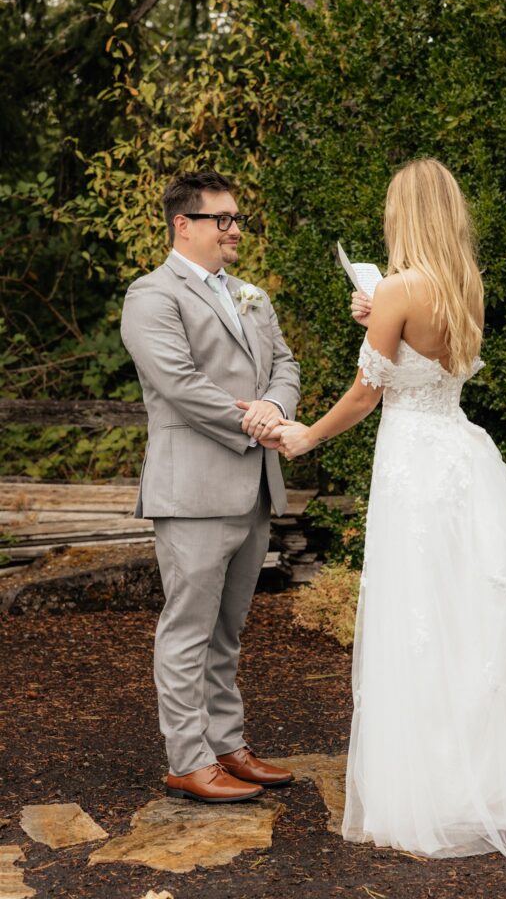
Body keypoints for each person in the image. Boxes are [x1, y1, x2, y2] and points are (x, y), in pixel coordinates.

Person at [274, 158, 506, 859]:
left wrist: (304, 435)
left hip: (412, 463)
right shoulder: (464, 285)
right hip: (459, 455)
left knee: (419, 615)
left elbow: (367, 392)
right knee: (472, 618)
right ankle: (496, 778)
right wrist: (378, 315)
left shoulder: (401, 286)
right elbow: (425, 357)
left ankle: (434, 789)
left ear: (403, 215)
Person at [120, 170, 300, 803]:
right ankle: (187, 758)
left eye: (236, 219)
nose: (234, 230)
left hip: (253, 485)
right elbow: (177, 382)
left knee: (228, 631)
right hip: (193, 490)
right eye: (222, 219)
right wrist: (252, 420)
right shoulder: (151, 296)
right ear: (183, 225)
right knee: (187, 630)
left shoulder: (250, 294)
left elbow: (285, 363)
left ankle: (227, 745)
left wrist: (274, 408)